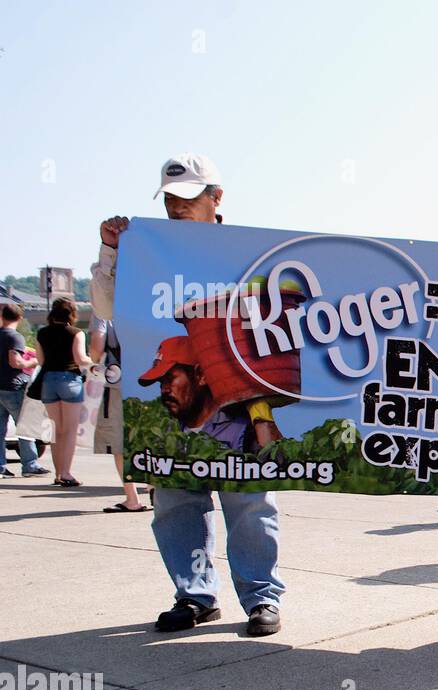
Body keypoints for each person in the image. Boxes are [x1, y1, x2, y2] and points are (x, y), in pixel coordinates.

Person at [92, 153, 284, 637]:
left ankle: (261, 597)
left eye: (187, 197)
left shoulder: (250, 251)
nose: (177, 207)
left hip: (238, 406)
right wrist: (112, 252)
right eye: (170, 199)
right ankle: (195, 595)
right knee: (176, 505)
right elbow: (106, 306)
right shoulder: (148, 249)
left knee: (251, 506)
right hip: (174, 404)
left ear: (216, 198)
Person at [87, 311, 148, 512]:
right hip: (147, 377)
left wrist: (95, 361)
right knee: (147, 434)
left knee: (119, 441)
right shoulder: (140, 302)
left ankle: (132, 498)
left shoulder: (104, 311)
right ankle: (155, 485)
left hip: (117, 379)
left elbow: (97, 343)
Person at [33, 298, 91, 487]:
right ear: (71, 314)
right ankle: (66, 472)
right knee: (70, 431)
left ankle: (59, 473)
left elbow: (41, 361)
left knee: (56, 431)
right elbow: (80, 359)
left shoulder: (41, 333)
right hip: (70, 380)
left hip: (48, 381)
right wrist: (95, 362)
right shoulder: (76, 333)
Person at [0, 304, 50, 478]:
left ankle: (1, 466)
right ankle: (30, 464)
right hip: (13, 386)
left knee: (1, 430)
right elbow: (16, 362)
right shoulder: (15, 337)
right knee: (24, 427)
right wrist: (34, 361)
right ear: (20, 318)